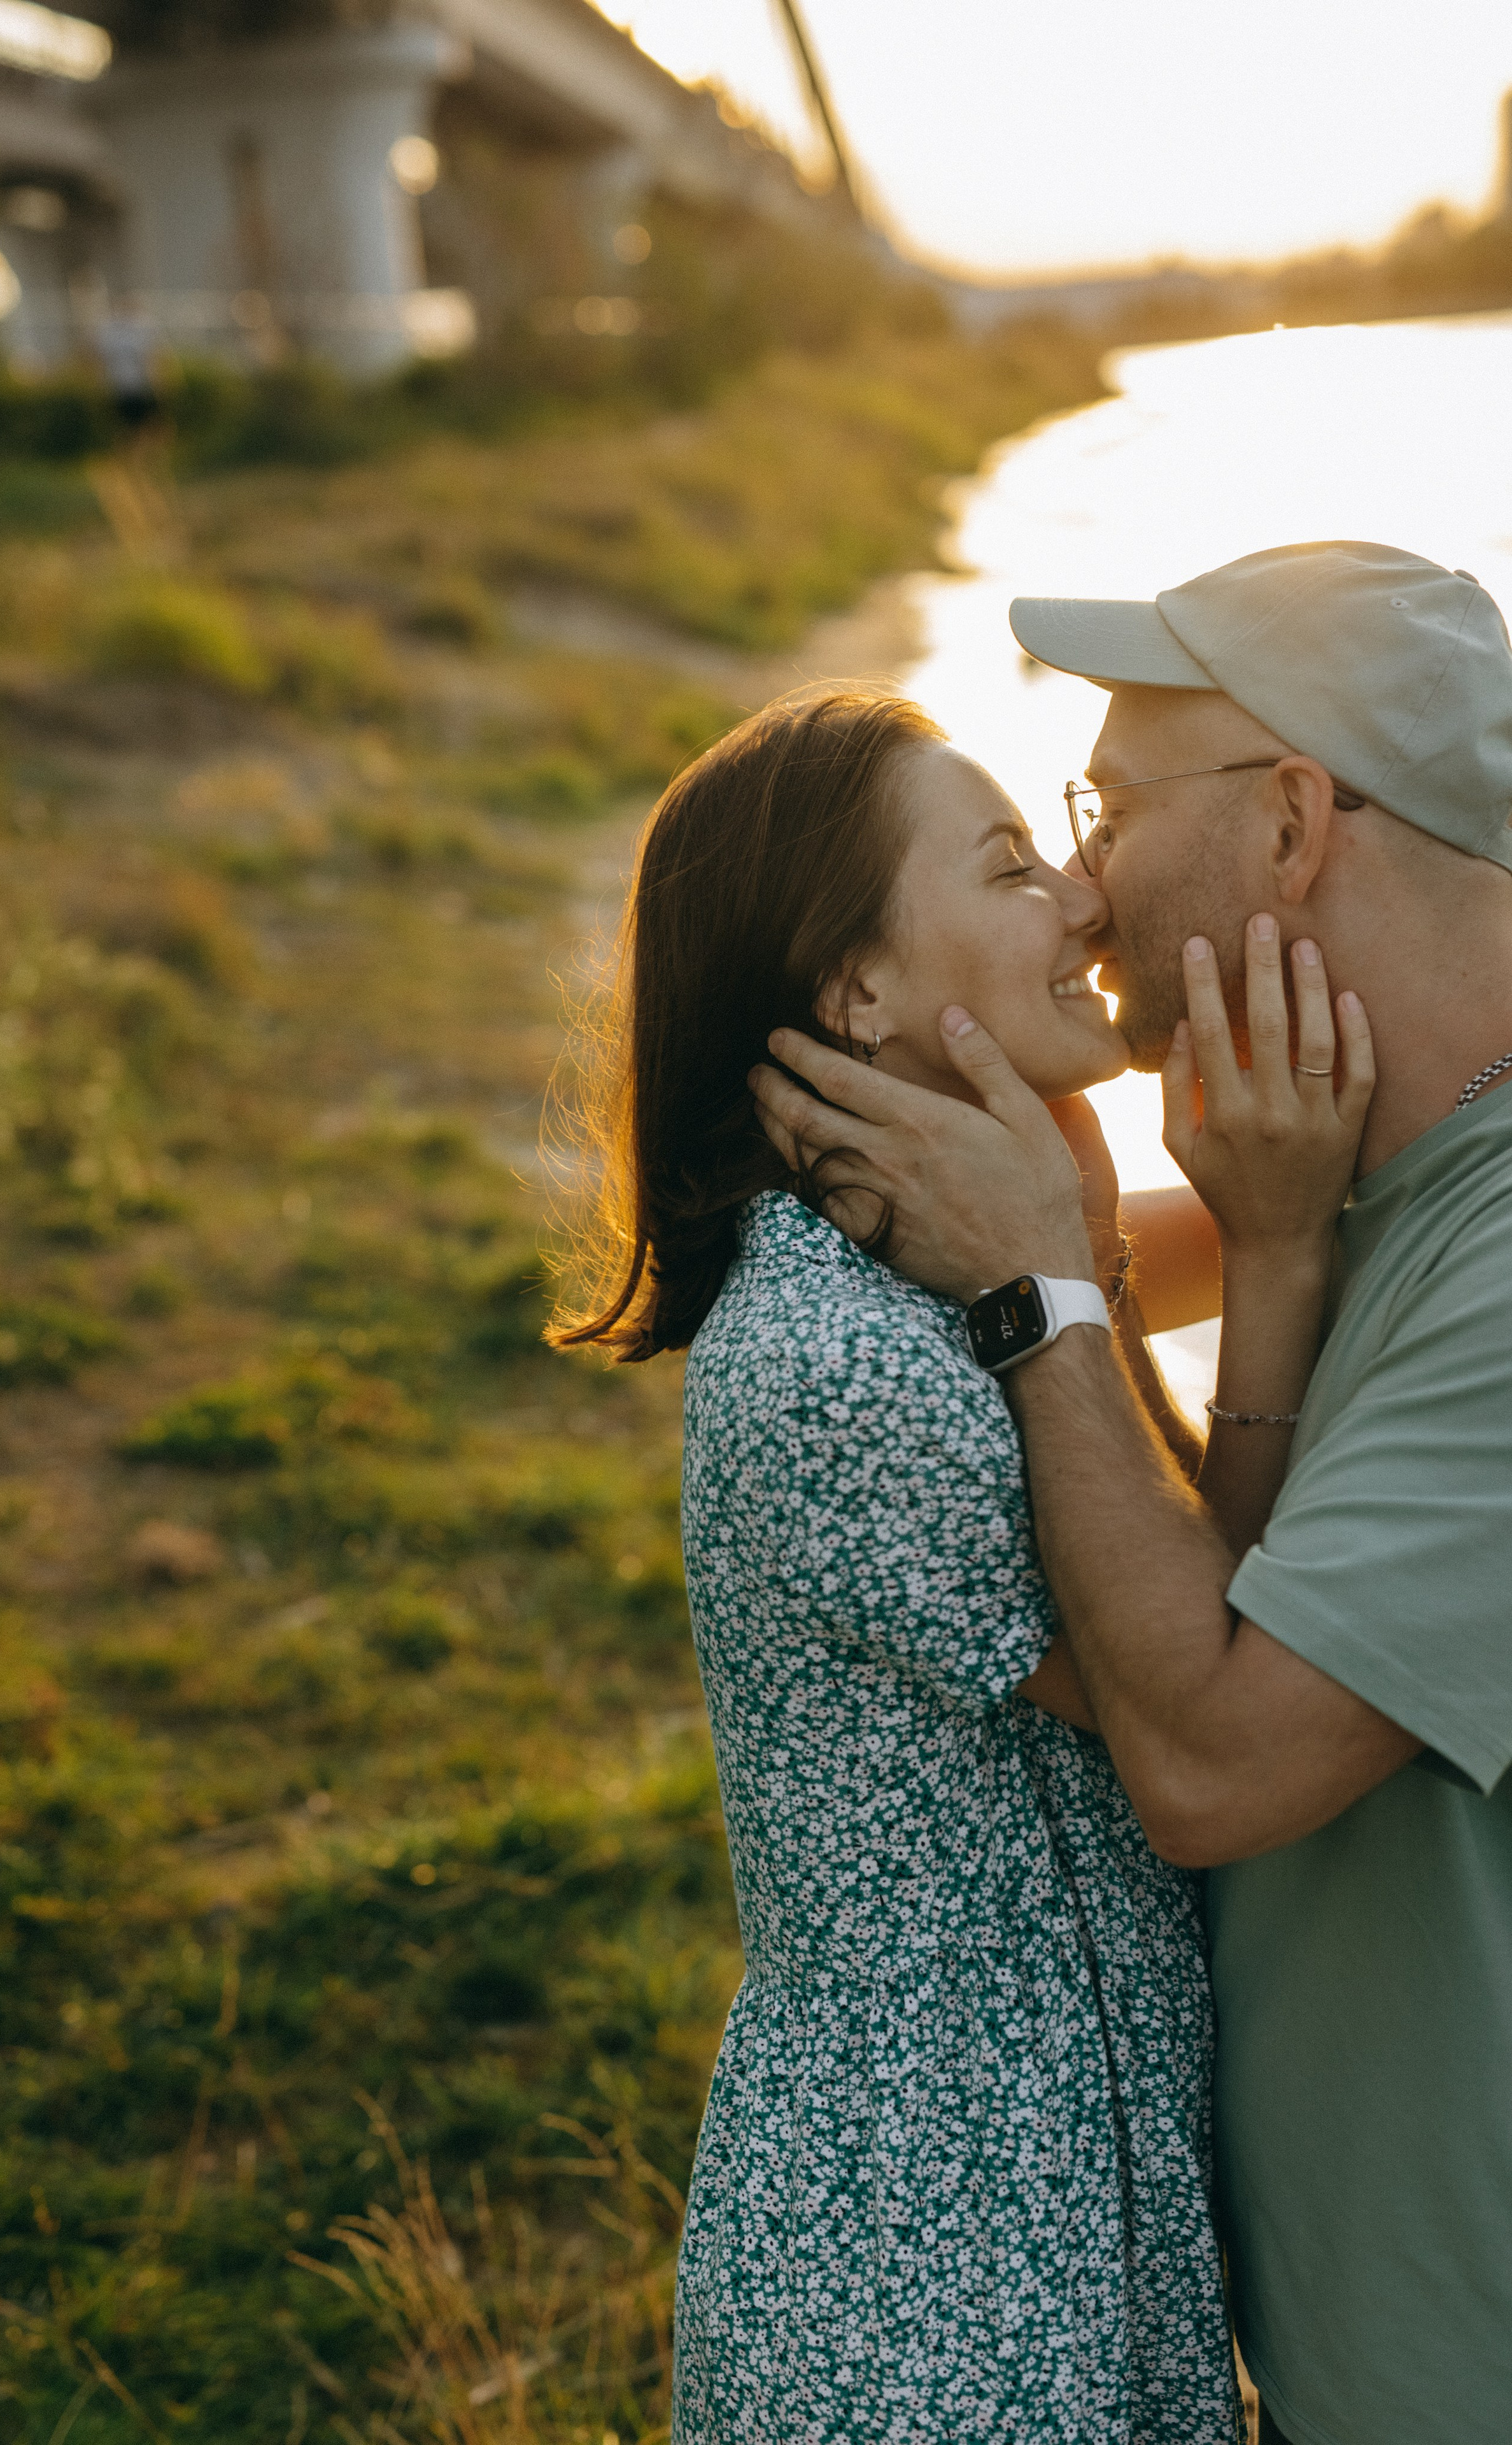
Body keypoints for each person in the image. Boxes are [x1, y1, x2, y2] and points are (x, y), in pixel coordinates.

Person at [750, 542, 1512, 2445]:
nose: (1085, 885)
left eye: (1101, 811)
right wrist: (1196, 1250)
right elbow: (1236, 1582)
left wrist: (1042, 1294)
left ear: (1289, 825)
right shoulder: (1370, 1194)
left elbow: (1216, 1764)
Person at [549, 686, 1366, 2442]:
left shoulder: (931, 1249)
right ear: (854, 994)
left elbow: (1186, 1231)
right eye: (1007, 869)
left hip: (1061, 2201)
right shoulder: (836, 1370)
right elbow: (1206, 1662)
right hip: (934, 2277)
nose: (1082, 897)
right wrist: (1288, 1256)